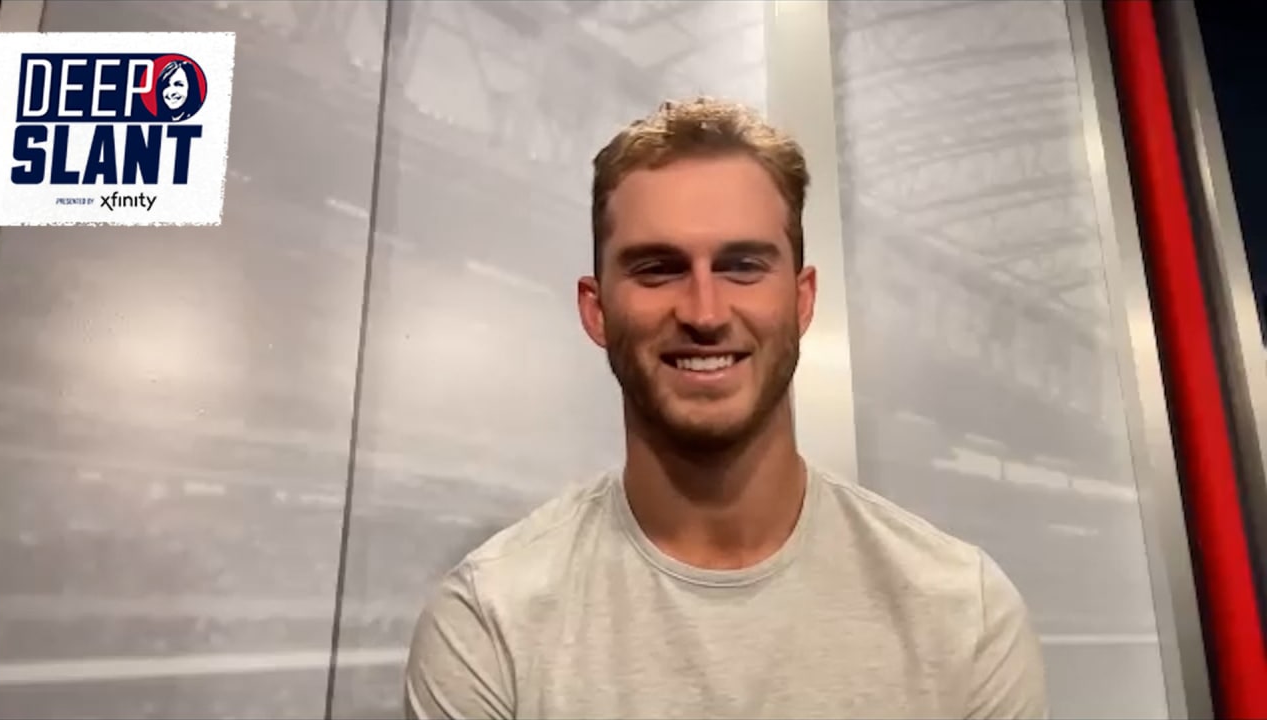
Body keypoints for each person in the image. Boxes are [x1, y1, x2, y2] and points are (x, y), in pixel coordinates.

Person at [404, 97, 1048, 719]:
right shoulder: (489, 624)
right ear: (596, 310)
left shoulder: (965, 614)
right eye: (658, 269)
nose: (705, 313)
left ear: (801, 302)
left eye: (742, 266)